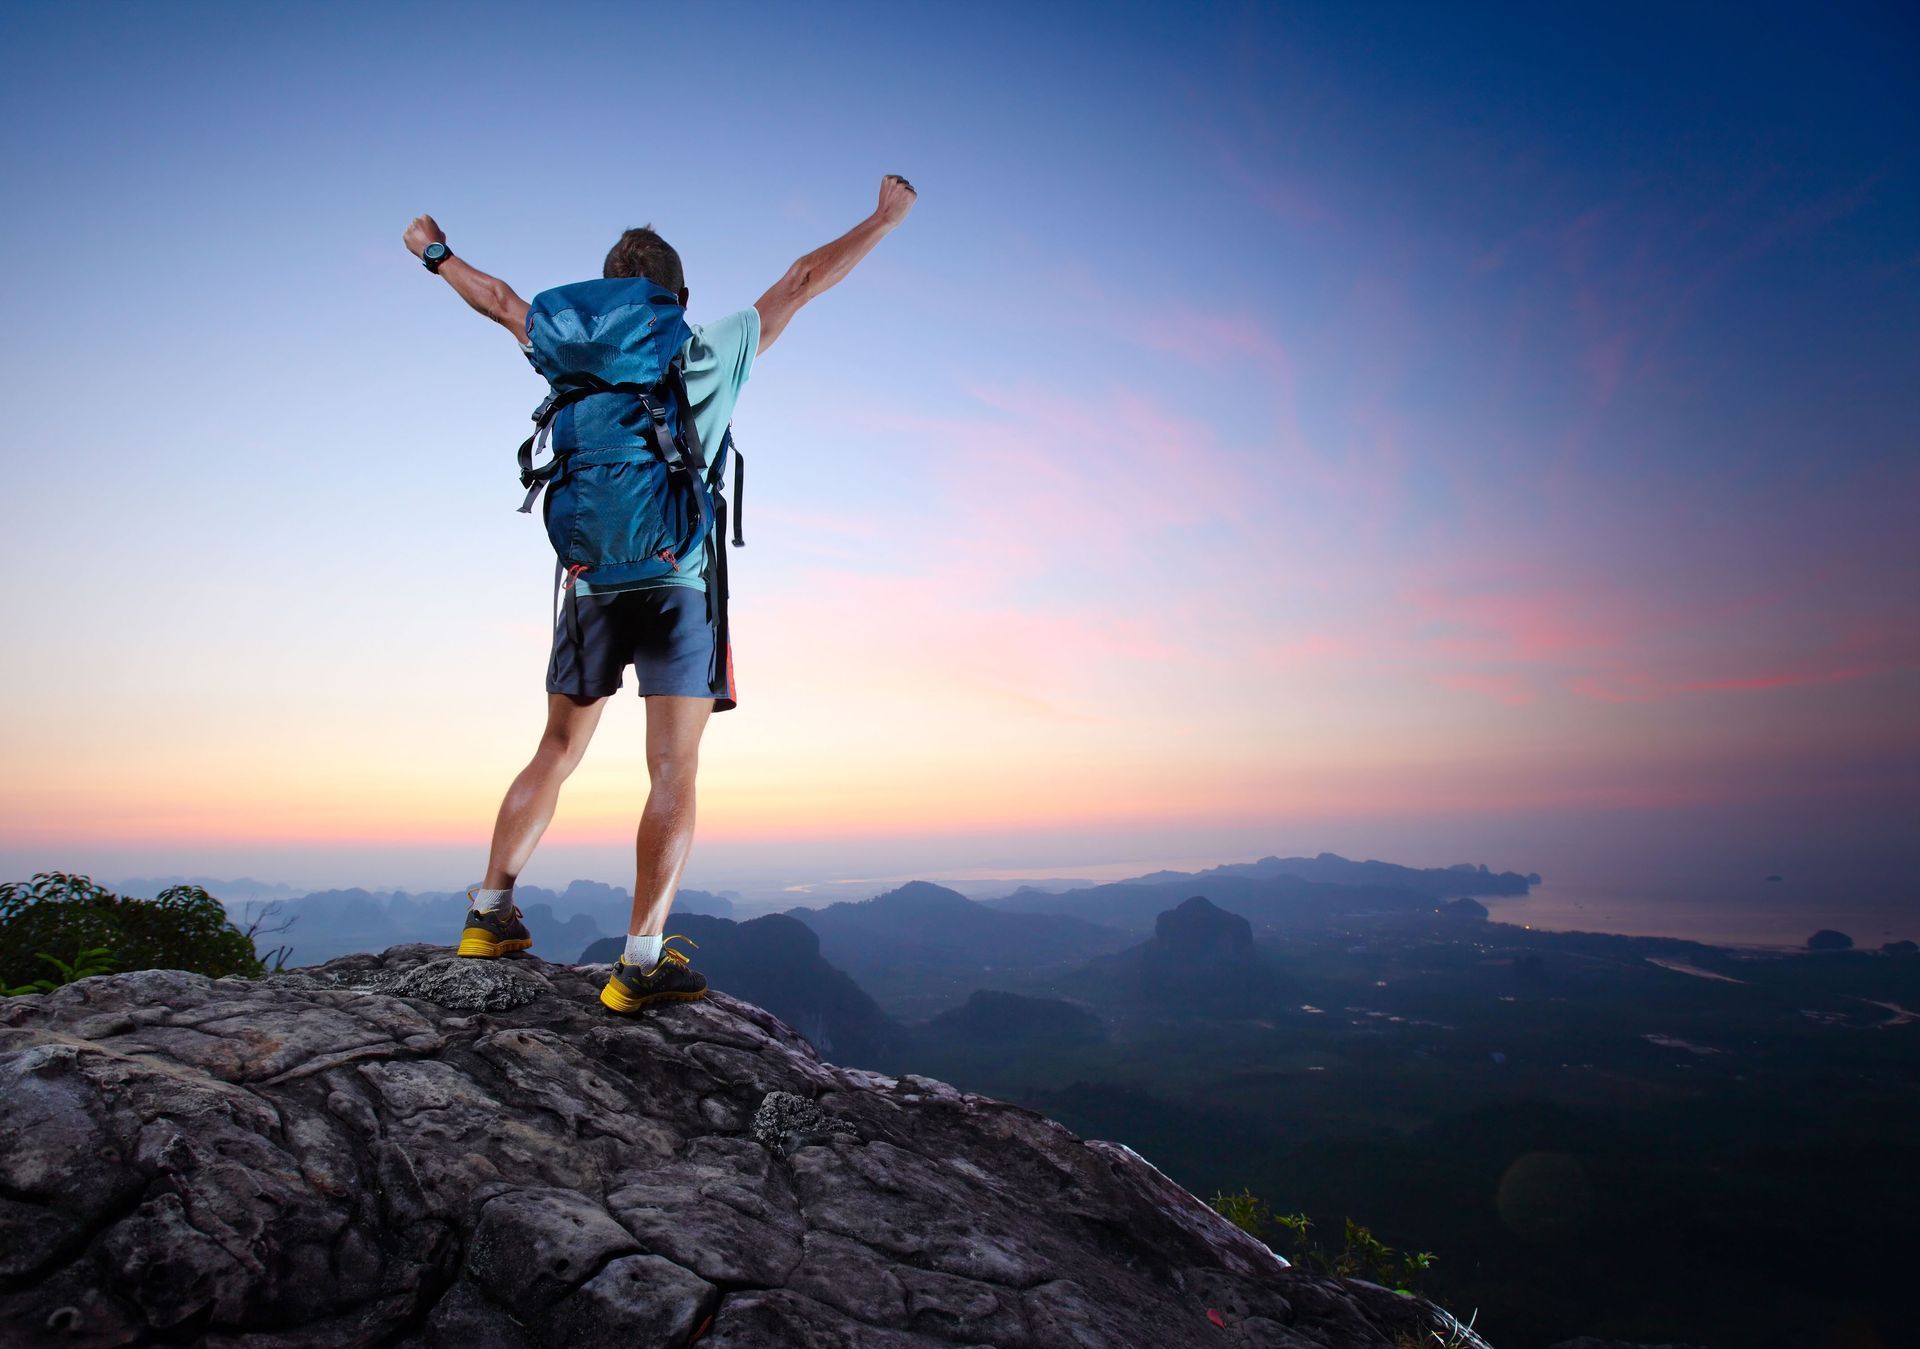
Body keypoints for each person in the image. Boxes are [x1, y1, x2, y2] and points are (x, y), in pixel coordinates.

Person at [400, 174, 918, 1011]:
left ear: (605, 293)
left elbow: (495, 297)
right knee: (673, 766)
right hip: (679, 586)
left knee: (556, 750)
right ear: (676, 296)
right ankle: (640, 960)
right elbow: (800, 281)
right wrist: (883, 220)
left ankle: (488, 912)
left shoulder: (564, 355)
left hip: (592, 580)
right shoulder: (707, 348)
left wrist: (433, 251)